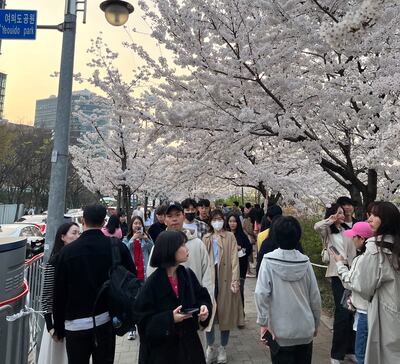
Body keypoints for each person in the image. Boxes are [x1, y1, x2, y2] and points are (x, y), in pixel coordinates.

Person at [53, 204, 135, 364]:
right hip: (106, 319)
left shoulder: (67, 252)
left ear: (83, 220)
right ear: (104, 222)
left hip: (74, 324)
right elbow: (131, 279)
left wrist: (58, 327)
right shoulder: (116, 246)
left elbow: (59, 293)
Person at [133, 230, 212, 364]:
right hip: (163, 354)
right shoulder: (152, 284)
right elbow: (143, 323)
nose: (186, 249)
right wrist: (170, 318)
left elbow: (202, 297)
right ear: (170, 250)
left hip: (190, 349)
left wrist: (204, 308)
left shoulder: (187, 274)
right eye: (182, 245)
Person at [338, 201, 400, 364]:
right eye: (370, 215)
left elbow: (363, 287)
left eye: (375, 215)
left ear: (387, 220)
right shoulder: (395, 245)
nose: (370, 219)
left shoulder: (374, 250)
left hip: (384, 314)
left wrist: (341, 267)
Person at [255, 216, 321, 364]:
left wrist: (263, 323)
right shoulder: (305, 261)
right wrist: (315, 324)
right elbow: (315, 297)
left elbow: (261, 294)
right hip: (304, 329)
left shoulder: (268, 260)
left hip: (279, 332)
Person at [314, 203, 357, 364]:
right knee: (341, 312)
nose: (341, 215)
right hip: (337, 274)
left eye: (342, 213)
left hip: (351, 272)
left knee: (352, 311)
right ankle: (336, 354)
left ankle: (350, 349)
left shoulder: (348, 230)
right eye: (338, 213)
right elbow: (317, 227)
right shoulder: (328, 231)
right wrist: (329, 220)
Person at [203, 209, 244, 364]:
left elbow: (234, 259)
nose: (217, 221)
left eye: (220, 219)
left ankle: (222, 347)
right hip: (209, 281)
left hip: (226, 280)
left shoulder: (230, 237)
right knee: (209, 315)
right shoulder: (206, 237)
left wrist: (235, 279)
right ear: (210, 221)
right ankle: (210, 346)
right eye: (214, 219)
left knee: (225, 315)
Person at [331, 221, 374, 364]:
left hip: (364, 311)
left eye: (354, 237)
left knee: (361, 354)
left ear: (362, 239)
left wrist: (339, 263)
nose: (352, 239)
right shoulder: (376, 256)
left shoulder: (362, 259)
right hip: (372, 310)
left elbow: (349, 282)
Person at [38, 222, 80, 364]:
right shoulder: (54, 262)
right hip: (58, 323)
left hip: (75, 321)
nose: (77, 236)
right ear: (63, 237)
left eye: (79, 233)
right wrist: (51, 327)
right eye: (74, 233)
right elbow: (46, 297)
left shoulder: (77, 259)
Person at [123, 215, 154, 340]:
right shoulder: (127, 238)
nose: (137, 225)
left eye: (139, 223)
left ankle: (145, 325)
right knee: (132, 302)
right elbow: (124, 251)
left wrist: (147, 240)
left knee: (144, 301)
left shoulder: (146, 238)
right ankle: (131, 328)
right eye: (135, 223)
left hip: (145, 274)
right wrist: (132, 240)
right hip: (132, 275)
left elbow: (153, 250)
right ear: (131, 225)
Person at [225, 213, 252, 311]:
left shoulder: (242, 235)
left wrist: (240, 248)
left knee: (239, 290)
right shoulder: (224, 235)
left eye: (234, 221)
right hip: (227, 267)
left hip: (240, 266)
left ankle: (241, 314)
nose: (232, 224)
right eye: (230, 221)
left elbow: (248, 249)